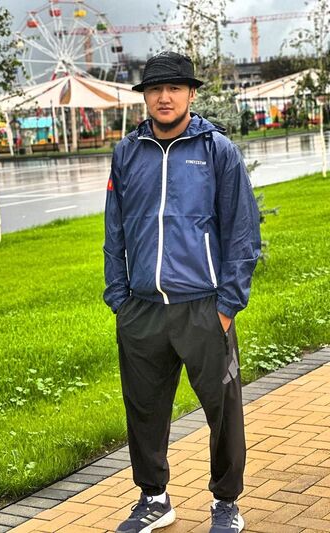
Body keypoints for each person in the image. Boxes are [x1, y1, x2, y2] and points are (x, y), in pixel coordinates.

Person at [103, 51, 261, 533]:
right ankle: (154, 498)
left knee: (223, 412)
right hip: (142, 311)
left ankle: (226, 503)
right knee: (144, 411)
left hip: (204, 308)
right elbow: (114, 230)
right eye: (155, 89)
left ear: (191, 93)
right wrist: (120, 300)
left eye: (174, 88)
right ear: (145, 97)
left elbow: (242, 232)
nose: (164, 97)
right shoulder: (127, 153)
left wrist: (228, 305)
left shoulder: (217, 151)